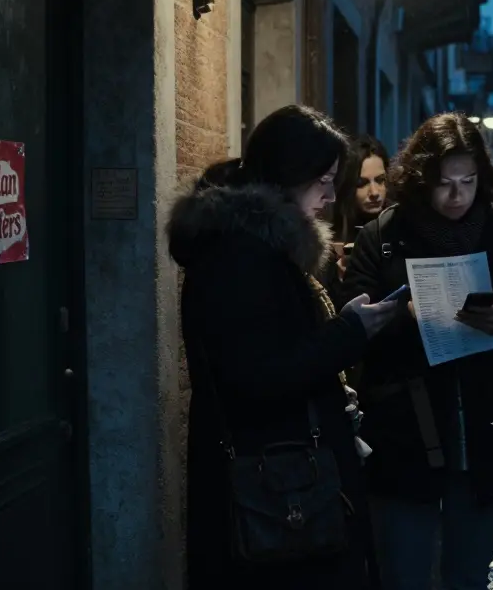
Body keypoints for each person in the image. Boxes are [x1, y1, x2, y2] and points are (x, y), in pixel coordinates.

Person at [167, 105, 399, 589]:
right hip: (275, 493)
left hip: (281, 484)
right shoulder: (241, 257)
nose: (332, 195)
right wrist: (350, 332)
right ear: (290, 175)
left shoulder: (252, 247)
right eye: (325, 179)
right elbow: (259, 377)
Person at [339, 113, 493, 590]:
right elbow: (351, 332)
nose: (457, 195)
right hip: (403, 436)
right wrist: (404, 317)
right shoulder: (382, 239)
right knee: (405, 574)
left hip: (481, 434)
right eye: (444, 183)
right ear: (419, 180)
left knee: (467, 575)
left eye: (468, 182)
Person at [325, 135, 391, 293]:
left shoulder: (397, 227)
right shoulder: (328, 240)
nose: (374, 192)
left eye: (380, 180)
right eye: (362, 183)